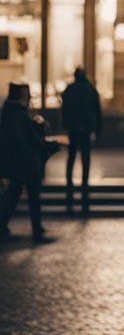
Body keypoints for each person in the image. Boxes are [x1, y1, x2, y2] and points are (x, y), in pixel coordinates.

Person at [0, 83, 60, 244]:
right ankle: (36, 231)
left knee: (14, 193)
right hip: (24, 161)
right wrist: (44, 144)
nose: (28, 97)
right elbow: (27, 137)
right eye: (25, 94)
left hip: (17, 161)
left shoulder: (10, 111)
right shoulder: (17, 113)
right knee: (31, 194)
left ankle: (4, 227)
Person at [60, 67, 102, 214]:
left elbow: (64, 108)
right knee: (85, 158)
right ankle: (84, 185)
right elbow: (97, 110)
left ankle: (69, 185)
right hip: (85, 129)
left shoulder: (69, 89)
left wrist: (65, 125)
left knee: (71, 158)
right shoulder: (90, 89)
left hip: (73, 129)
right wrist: (97, 129)